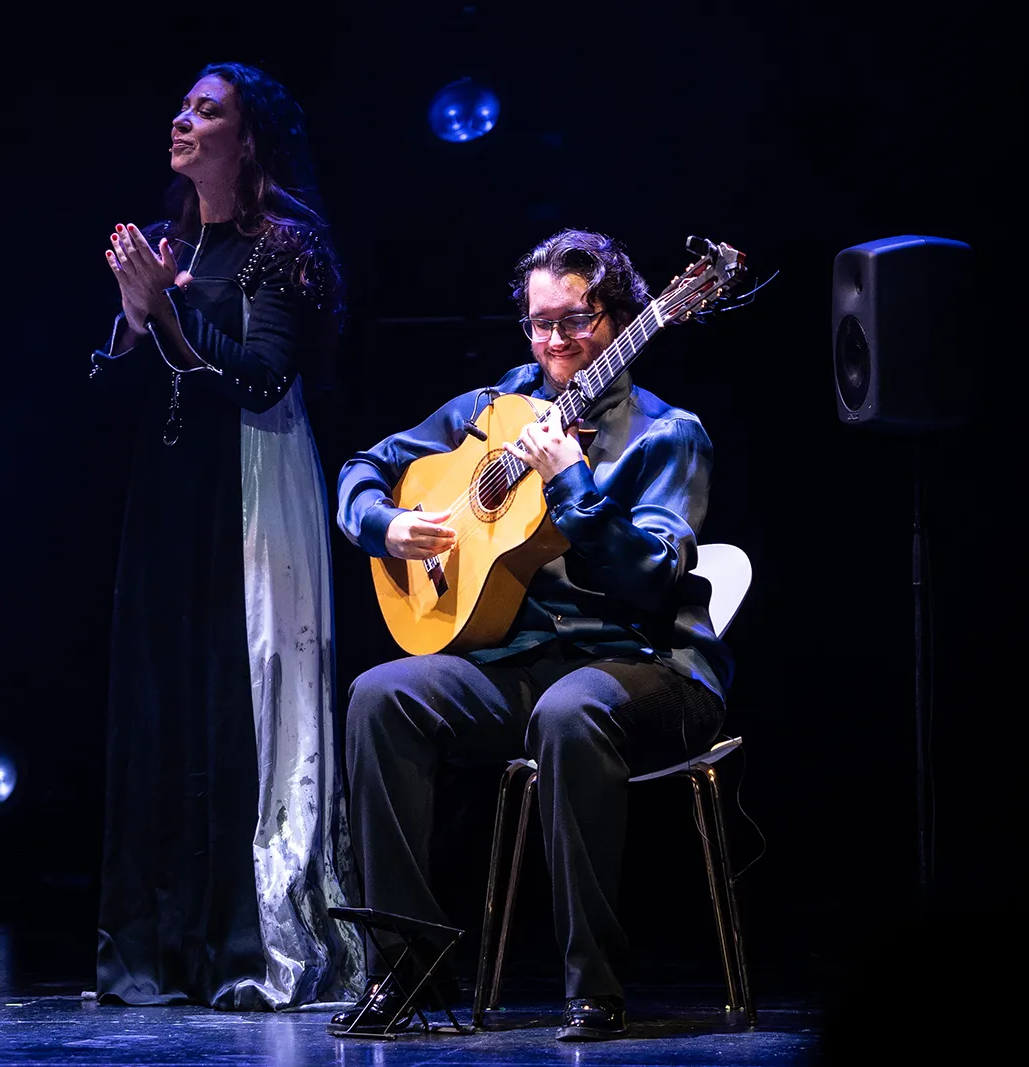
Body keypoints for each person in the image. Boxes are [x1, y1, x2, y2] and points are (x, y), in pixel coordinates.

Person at [329, 228, 735, 1040]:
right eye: (539, 323)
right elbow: (364, 467)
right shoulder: (497, 408)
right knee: (381, 695)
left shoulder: (668, 433)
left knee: (569, 711)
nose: (554, 342)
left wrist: (572, 483)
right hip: (520, 664)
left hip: (645, 666)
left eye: (575, 320)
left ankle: (595, 984)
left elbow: (652, 579)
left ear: (621, 318)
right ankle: (406, 970)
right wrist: (385, 524)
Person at [87, 61, 364, 1010]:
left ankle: (250, 946)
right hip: (169, 499)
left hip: (252, 487)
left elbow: (259, 377)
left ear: (246, 141)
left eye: (207, 110)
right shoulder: (167, 244)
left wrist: (165, 314)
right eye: (183, 105)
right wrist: (134, 323)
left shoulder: (281, 245)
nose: (183, 118)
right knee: (164, 705)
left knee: (242, 702)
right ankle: (160, 953)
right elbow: (118, 389)